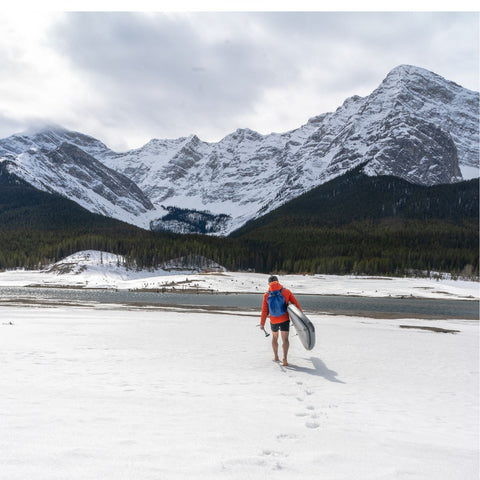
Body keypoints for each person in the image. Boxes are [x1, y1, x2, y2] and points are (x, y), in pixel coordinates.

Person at [260, 275, 302, 367]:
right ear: (278, 281)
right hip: (284, 319)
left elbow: (264, 311)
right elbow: (296, 304)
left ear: (269, 284)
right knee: (285, 340)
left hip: (273, 320)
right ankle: (285, 359)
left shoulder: (267, 295)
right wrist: (301, 317)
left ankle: (276, 357)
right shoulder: (286, 291)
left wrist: (262, 323)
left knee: (275, 338)